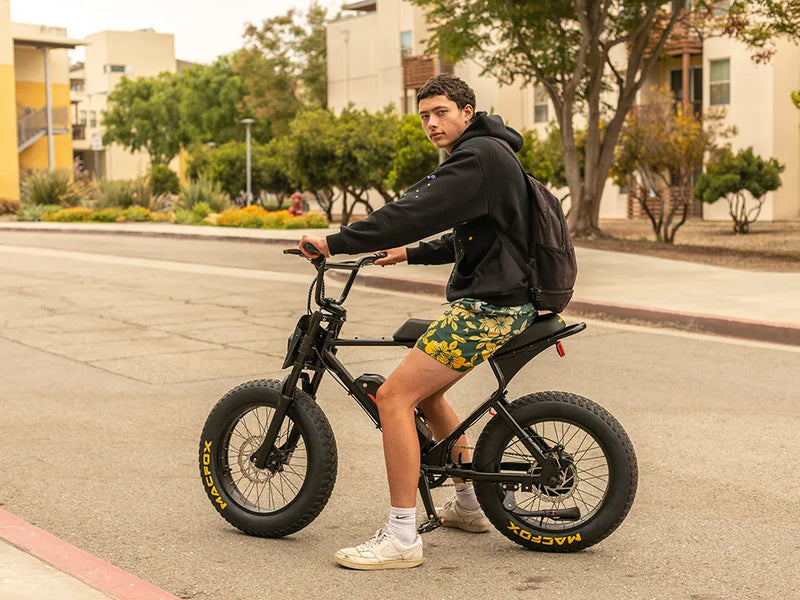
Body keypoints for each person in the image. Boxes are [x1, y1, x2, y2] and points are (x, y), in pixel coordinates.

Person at [298, 74, 535, 570]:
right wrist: (408, 253)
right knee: (427, 395)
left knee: (393, 397)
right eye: (424, 116)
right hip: (500, 300)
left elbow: (411, 211)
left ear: (467, 112)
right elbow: (471, 237)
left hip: (489, 307)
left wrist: (335, 242)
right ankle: (468, 505)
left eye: (441, 112)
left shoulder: (476, 157)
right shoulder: (487, 153)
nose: (431, 123)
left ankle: (401, 536)